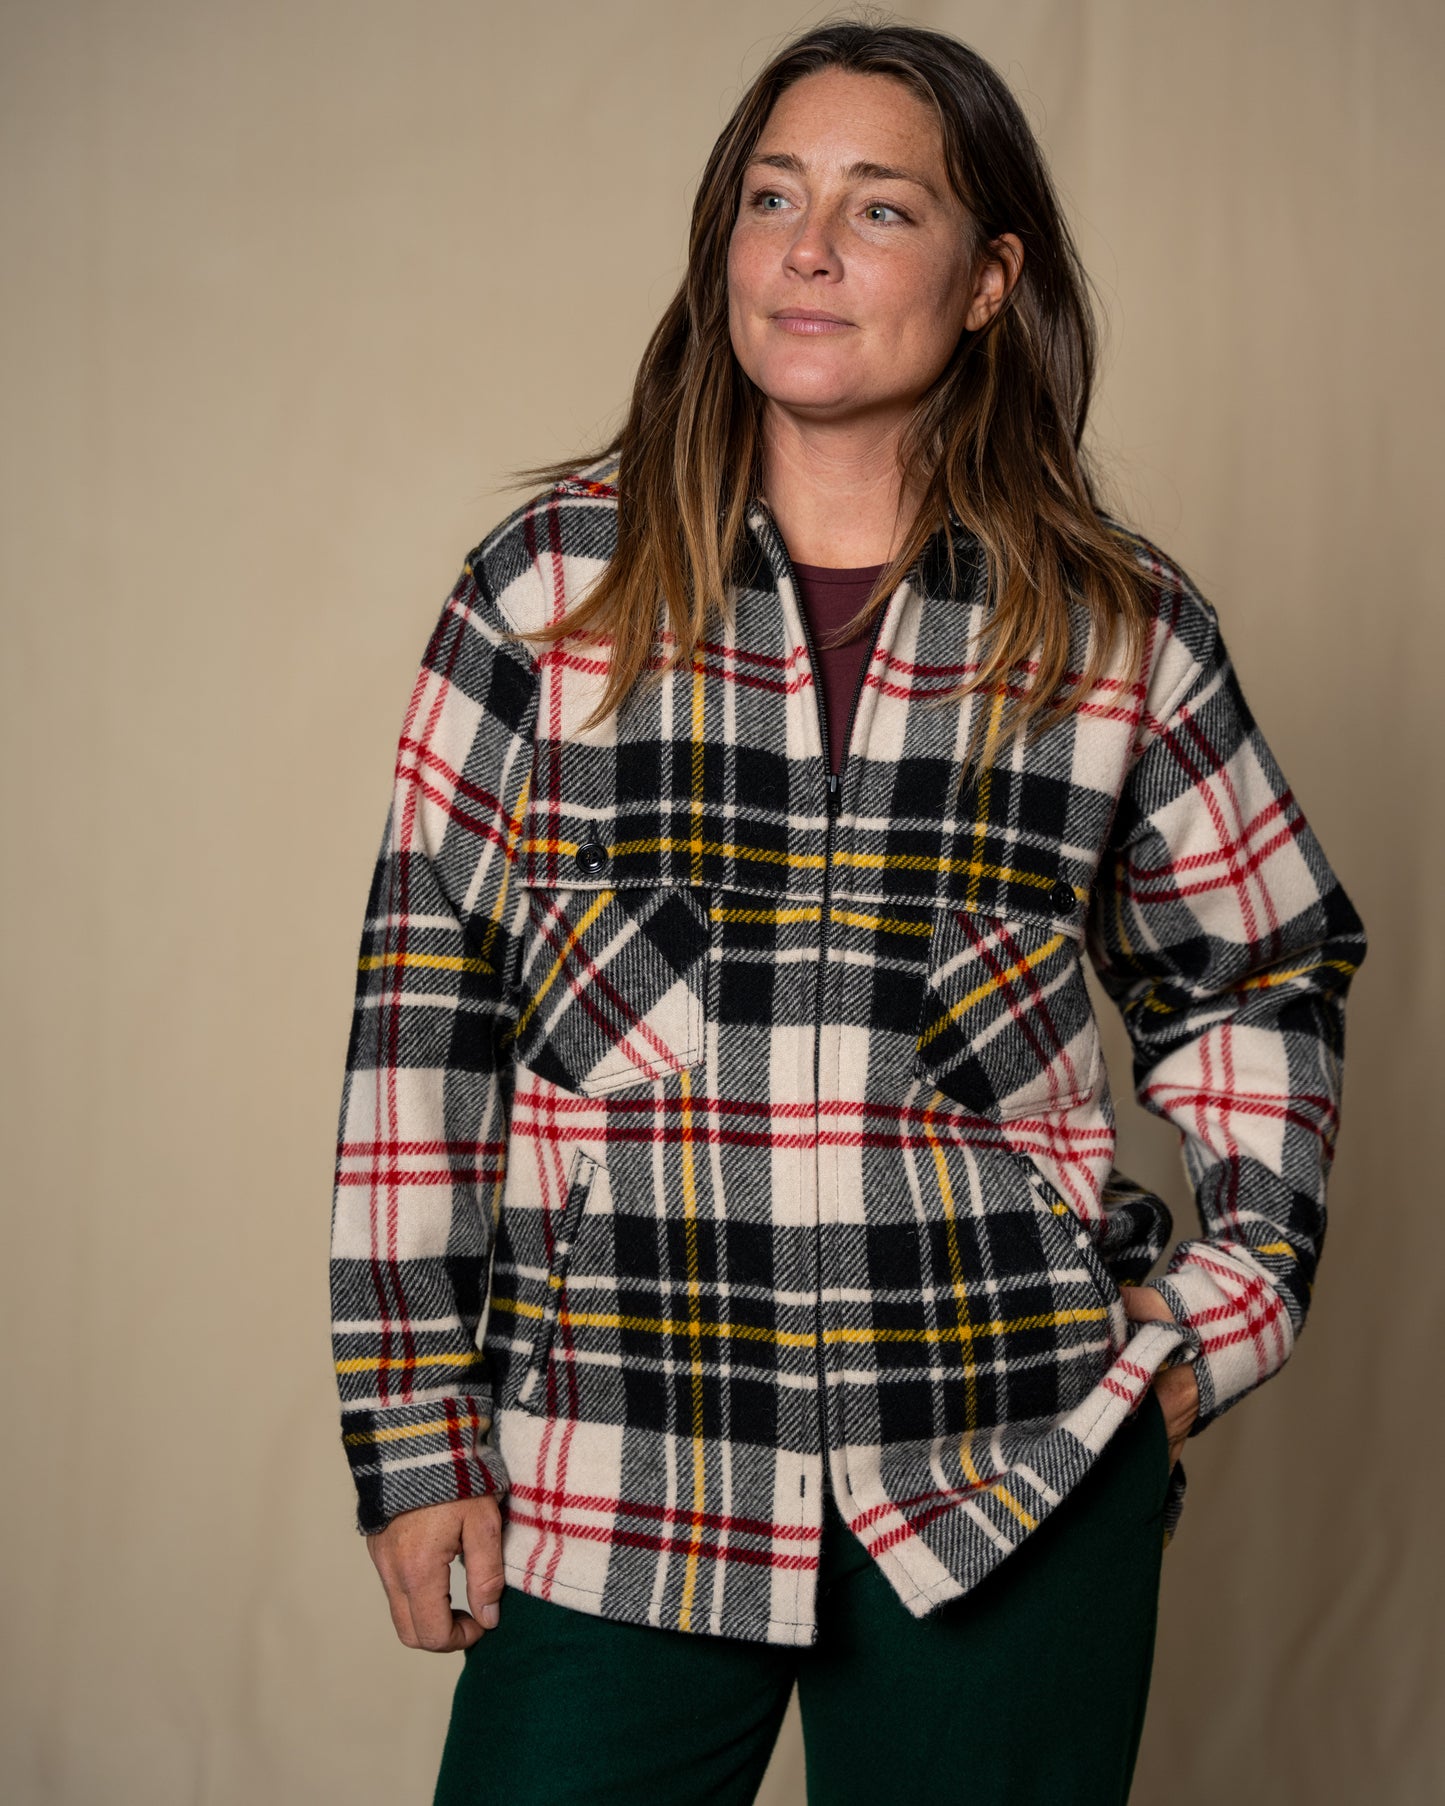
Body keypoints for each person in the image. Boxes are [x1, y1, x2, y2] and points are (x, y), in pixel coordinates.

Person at [328, 20, 1368, 1804]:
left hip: (1009, 1477)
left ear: (986, 281)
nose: (806, 250)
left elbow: (1255, 965)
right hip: (615, 1471)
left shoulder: (1115, 627)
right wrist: (416, 1430)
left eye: (880, 210)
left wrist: (1214, 1315)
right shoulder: (548, 595)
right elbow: (427, 1014)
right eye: (772, 197)